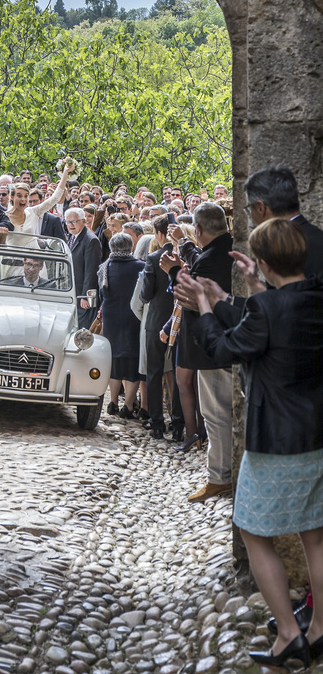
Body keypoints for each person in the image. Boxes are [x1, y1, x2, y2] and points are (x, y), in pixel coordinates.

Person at [178, 219, 323, 671]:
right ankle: (319, 630)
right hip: (315, 433)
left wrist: (203, 308)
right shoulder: (316, 297)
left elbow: (226, 349)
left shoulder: (267, 309)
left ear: (261, 262)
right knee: (315, 534)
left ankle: (287, 634)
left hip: (275, 439)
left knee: (253, 530)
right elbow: (267, 318)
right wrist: (237, 297)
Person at [164, 201, 234, 502]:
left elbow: (191, 295)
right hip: (229, 342)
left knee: (216, 413)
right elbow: (200, 255)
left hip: (213, 348)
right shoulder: (227, 247)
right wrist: (185, 245)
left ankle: (220, 477)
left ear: (201, 229)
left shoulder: (211, 259)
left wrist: (174, 271)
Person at [140, 216, 183, 441]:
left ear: (159, 234)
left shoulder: (154, 257)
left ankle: (157, 423)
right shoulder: (183, 257)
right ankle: (178, 425)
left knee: (154, 373)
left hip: (156, 320)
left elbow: (145, 294)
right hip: (180, 320)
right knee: (178, 374)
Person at [98, 232, 144, 417]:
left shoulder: (104, 267)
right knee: (133, 362)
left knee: (114, 360)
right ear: (131, 247)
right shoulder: (141, 266)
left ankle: (113, 402)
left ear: (111, 249)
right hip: (134, 318)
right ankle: (129, 406)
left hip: (112, 319)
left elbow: (102, 296)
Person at [3, 164, 70, 249]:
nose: (23, 199)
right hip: (12, 259)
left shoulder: (33, 211)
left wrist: (65, 172)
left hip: (35, 259)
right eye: (19, 196)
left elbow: (55, 198)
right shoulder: (4, 216)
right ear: (12, 197)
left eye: (26, 196)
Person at [65, 207, 102, 328]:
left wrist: (85, 296)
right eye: (68, 222)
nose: (71, 225)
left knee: (83, 329)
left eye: (74, 221)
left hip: (83, 296)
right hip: (72, 292)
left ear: (84, 221)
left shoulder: (91, 240)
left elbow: (91, 270)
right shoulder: (73, 235)